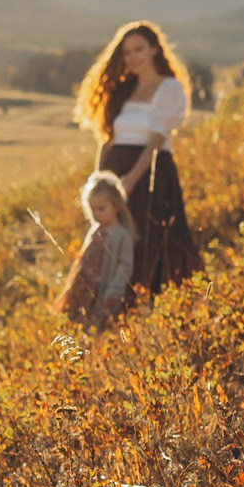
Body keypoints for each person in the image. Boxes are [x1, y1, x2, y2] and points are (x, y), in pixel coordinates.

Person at [72, 21, 202, 296]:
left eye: (138, 49)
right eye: (127, 52)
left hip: (151, 171)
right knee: (108, 238)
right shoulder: (123, 90)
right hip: (115, 168)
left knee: (146, 237)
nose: (132, 58)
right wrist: (99, 181)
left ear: (155, 49)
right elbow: (108, 138)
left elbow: (156, 140)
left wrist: (130, 180)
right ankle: (103, 306)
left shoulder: (169, 88)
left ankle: (144, 304)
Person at [55, 171, 138, 330]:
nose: (96, 214)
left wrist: (114, 290)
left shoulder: (121, 236)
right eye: (93, 209)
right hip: (85, 289)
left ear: (116, 206)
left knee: (101, 327)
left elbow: (125, 266)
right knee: (80, 323)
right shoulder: (95, 230)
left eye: (101, 209)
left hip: (104, 292)